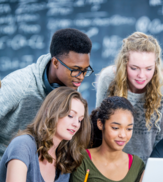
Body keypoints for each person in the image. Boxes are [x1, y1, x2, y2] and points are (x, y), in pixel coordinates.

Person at [0, 28, 93, 158]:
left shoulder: (70, 85)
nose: (81, 77)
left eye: (85, 70)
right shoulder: (20, 86)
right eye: (75, 70)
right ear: (55, 62)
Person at [95, 31, 163, 163]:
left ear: (156, 66)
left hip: (148, 165)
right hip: (110, 164)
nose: (141, 76)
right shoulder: (108, 78)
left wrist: (153, 170)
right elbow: (98, 128)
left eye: (149, 69)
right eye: (134, 68)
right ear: (124, 64)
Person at [0, 87, 91, 182]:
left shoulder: (65, 156)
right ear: (50, 111)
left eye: (80, 120)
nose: (76, 124)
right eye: (70, 115)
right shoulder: (23, 144)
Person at [69, 96, 145, 182]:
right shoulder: (83, 158)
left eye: (129, 129)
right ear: (100, 124)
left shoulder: (137, 165)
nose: (123, 135)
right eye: (115, 128)